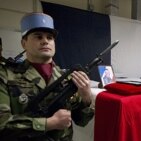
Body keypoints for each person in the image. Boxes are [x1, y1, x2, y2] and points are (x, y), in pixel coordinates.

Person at [0, 12, 94, 141]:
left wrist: (86, 98)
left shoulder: (66, 77)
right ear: (24, 43)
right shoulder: (6, 75)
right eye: (38, 37)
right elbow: (2, 126)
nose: (45, 41)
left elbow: (81, 121)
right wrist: (49, 123)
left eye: (49, 37)